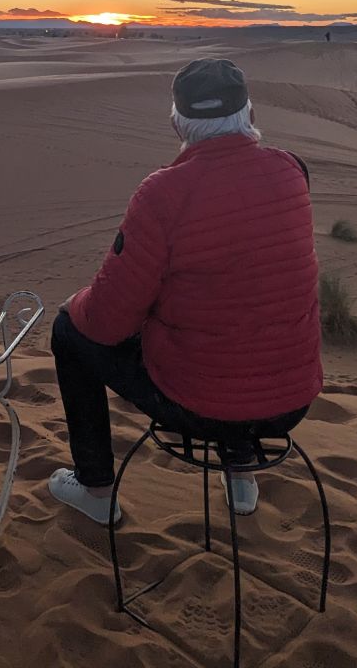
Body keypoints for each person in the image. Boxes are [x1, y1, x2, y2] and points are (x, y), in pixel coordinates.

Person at [48, 58, 323, 525]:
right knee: (242, 313)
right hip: (291, 402)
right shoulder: (291, 171)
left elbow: (108, 322)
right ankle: (240, 474)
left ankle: (95, 489)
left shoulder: (163, 193)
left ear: (177, 123)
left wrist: (77, 305)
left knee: (68, 333)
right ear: (251, 115)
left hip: (198, 405)